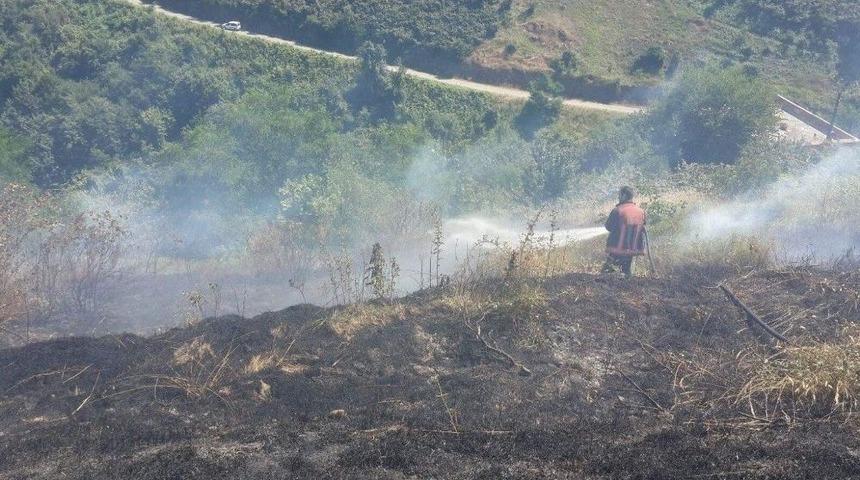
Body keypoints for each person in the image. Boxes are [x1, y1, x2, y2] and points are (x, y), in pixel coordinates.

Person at [602, 186, 646, 276]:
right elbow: (643, 225)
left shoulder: (617, 211)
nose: (618, 197)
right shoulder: (641, 211)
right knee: (627, 273)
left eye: (620, 195)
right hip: (633, 249)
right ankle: (627, 286)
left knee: (606, 273)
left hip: (617, 249)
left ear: (624, 195)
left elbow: (608, 227)